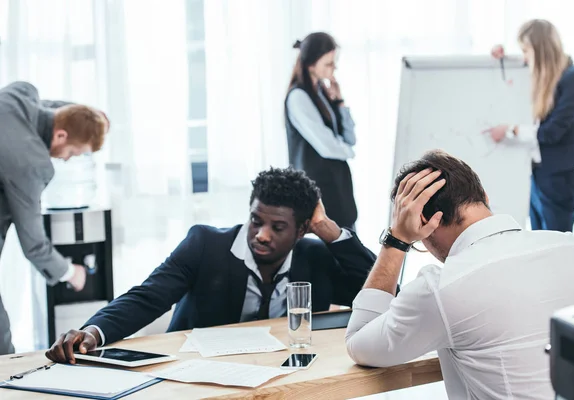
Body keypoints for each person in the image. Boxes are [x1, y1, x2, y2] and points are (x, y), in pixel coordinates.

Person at [46, 167, 375, 364]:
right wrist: (92, 332)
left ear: (302, 229)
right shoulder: (205, 245)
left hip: (281, 381)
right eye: (255, 221)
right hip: (195, 375)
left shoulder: (314, 257)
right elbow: (146, 298)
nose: (260, 235)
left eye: (277, 228)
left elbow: (382, 296)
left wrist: (329, 230)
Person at [345, 150, 574, 399]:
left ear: (421, 221)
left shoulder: (442, 289)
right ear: (484, 196)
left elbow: (359, 343)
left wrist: (397, 240)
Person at [0, 81, 109, 355]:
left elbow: (54, 111)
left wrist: (92, 119)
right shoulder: (33, 164)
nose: (68, 160)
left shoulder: (19, 94)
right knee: (2, 346)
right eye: (73, 152)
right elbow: (35, 245)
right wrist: (72, 273)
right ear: (60, 136)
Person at [483, 19, 574, 232]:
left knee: (557, 245)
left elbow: (552, 132)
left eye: (526, 50)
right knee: (538, 244)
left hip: (557, 178)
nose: (523, 57)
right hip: (535, 176)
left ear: (540, 50)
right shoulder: (540, 77)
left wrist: (510, 130)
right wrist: (500, 59)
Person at [285, 32, 358, 229]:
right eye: (328, 64)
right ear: (310, 64)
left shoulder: (323, 93)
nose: (334, 68)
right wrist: (349, 153)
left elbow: (349, 139)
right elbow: (328, 147)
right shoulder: (299, 97)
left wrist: (340, 103)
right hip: (319, 192)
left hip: (337, 188)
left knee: (348, 246)